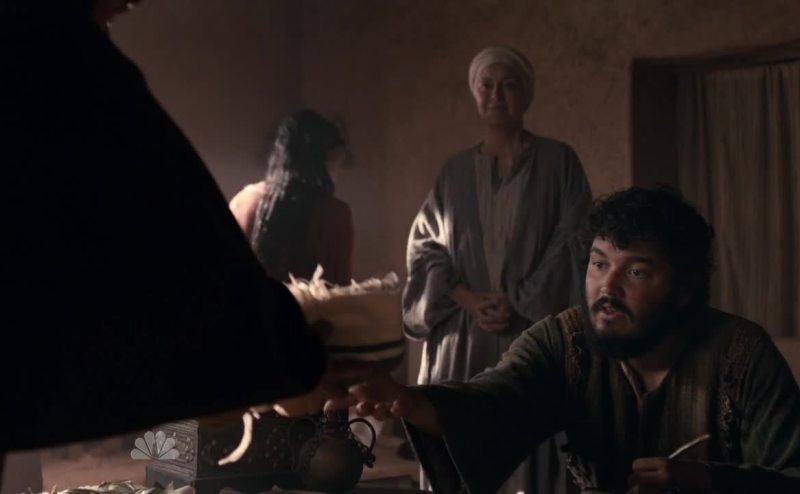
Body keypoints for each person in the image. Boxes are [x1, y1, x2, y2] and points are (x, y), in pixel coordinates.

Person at [0, 0, 366, 476]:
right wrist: (295, 353)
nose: (131, 5)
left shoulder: (246, 198)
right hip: (250, 372)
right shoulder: (57, 51)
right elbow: (327, 294)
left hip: (218, 373)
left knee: (169, 477)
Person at [332, 186, 800, 494]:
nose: (607, 287)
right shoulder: (565, 341)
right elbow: (493, 404)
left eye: (636, 272)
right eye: (599, 264)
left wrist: (706, 480)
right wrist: (409, 401)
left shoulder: (743, 355)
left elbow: (792, 474)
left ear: (684, 290)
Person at [402, 45, 592, 493]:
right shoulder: (453, 173)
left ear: (526, 94)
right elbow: (425, 245)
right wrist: (466, 297)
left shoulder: (559, 162)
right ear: (475, 93)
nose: (496, 95)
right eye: (486, 85)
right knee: (458, 435)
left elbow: (575, 237)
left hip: (532, 330)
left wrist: (521, 299)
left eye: (508, 85)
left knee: (528, 439)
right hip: (463, 335)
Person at [229, 109, 354, 286]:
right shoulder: (334, 214)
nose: (337, 171)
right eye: (336, 162)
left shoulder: (242, 202)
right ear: (323, 161)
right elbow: (339, 290)